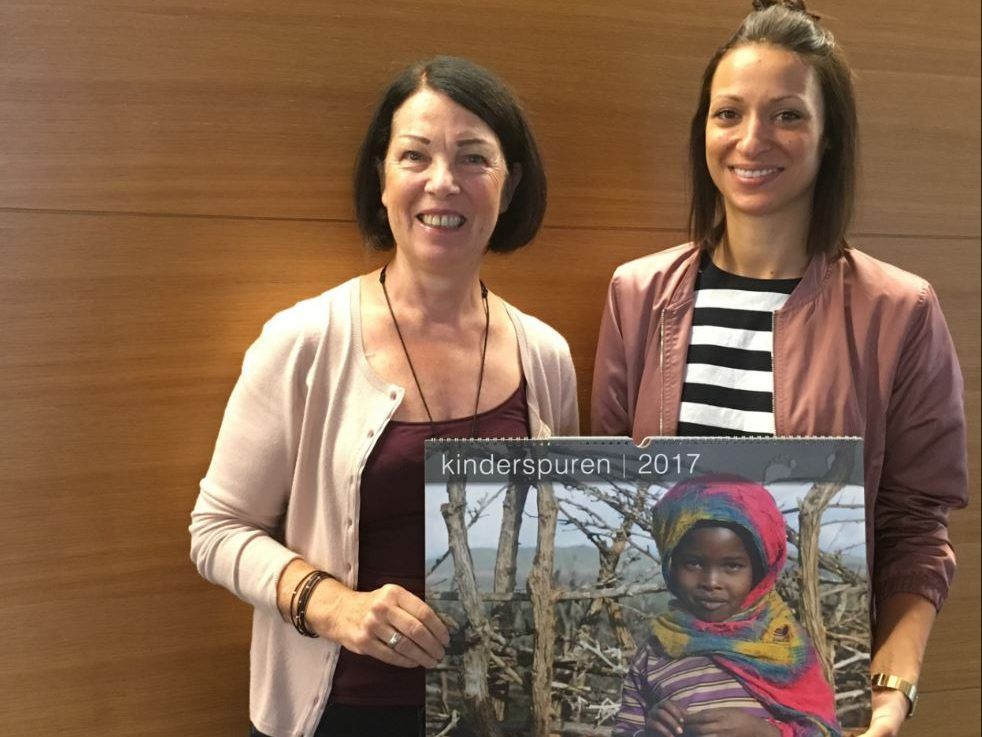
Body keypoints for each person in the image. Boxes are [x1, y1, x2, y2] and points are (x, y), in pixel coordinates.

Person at [591, 2, 967, 736]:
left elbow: (917, 527)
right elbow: (618, 493)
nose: (752, 139)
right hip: (668, 691)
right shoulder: (637, 296)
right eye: (728, 113)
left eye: (787, 115)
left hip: (817, 693)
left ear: (830, 140)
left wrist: (894, 684)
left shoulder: (900, 310)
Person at [190, 56, 578, 737]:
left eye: (473, 158)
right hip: (341, 713)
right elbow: (216, 531)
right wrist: (332, 604)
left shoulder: (544, 355)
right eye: (415, 155)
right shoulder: (304, 341)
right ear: (381, 178)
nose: (442, 182)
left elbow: (555, 538)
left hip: (497, 713)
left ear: (510, 185)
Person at [613, 476, 840, 737]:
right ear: (671, 566)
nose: (711, 582)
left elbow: (824, 731)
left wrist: (764, 733)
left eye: (732, 565)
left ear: (759, 572)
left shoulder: (785, 645)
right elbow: (625, 730)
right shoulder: (655, 652)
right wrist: (649, 733)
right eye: (693, 563)